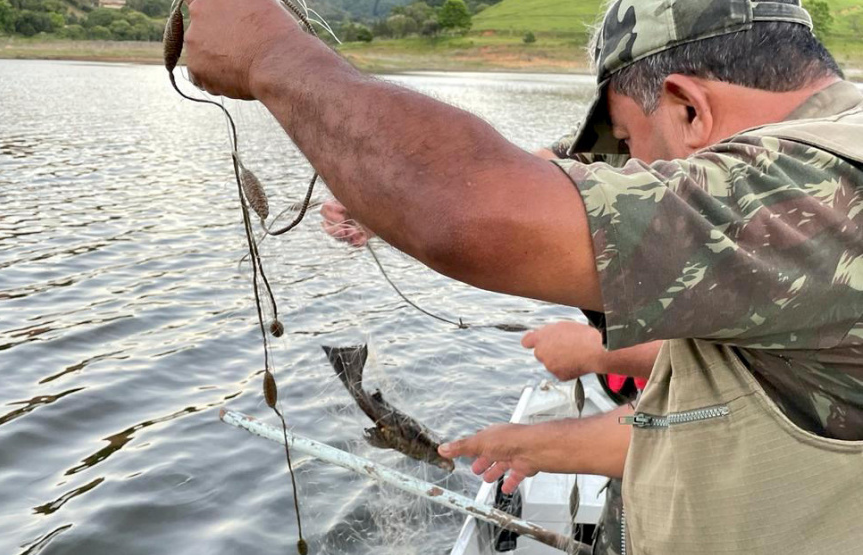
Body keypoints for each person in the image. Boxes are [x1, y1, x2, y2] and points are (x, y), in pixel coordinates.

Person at [183, 0, 863, 552]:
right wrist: (384, 198)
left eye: (627, 146)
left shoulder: (821, 192)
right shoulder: (813, 156)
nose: (626, 171)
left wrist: (269, 54)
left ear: (688, 108)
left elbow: (473, 207)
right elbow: (563, 174)